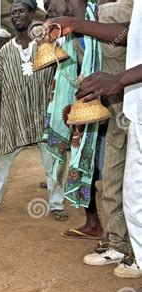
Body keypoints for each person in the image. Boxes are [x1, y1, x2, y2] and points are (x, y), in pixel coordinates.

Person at [47, 0, 142, 279]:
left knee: (135, 188)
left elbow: (124, 37)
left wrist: (120, 79)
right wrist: (74, 25)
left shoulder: (116, 8)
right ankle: (120, 245)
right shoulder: (97, 16)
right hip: (123, 108)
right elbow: (129, 32)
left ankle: (136, 253)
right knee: (119, 184)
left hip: (127, 98)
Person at [0, 0, 67, 222]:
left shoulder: (45, 44)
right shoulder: (5, 51)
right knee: (0, 159)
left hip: (43, 115)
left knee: (54, 161)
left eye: (20, 11)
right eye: (13, 13)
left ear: (32, 14)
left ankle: (56, 205)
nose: (15, 16)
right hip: (13, 117)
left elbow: (62, 75)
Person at [44, 0, 106, 239]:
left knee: (113, 174)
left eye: (50, 3)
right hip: (86, 110)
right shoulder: (68, 36)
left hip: (117, 107)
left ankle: (124, 241)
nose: (48, 10)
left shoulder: (103, 17)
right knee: (82, 161)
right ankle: (93, 224)